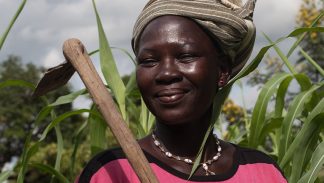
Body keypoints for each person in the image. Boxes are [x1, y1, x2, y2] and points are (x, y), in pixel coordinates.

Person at [77, 0, 287, 182]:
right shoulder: (111, 172)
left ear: (222, 71)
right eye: (149, 61)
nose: (166, 73)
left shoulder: (263, 172)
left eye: (185, 57)